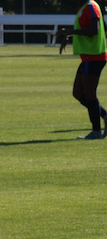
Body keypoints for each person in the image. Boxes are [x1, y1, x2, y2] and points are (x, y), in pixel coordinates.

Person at [58, 0, 107, 139]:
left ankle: (96, 131)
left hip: (94, 56)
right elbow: (87, 29)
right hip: (88, 57)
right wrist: (70, 35)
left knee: (90, 94)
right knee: (78, 93)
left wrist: (69, 31)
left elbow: (94, 30)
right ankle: (104, 116)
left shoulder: (91, 6)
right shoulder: (84, 7)